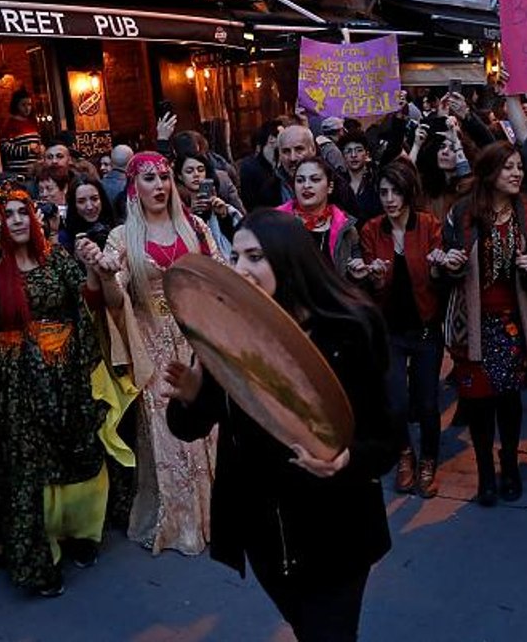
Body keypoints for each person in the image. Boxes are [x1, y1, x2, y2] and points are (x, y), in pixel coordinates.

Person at [164, 209, 394, 642]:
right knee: (309, 630)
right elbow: (189, 427)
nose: (241, 270)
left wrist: (346, 460)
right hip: (266, 536)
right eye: (235, 257)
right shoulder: (225, 334)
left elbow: (386, 438)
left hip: (336, 534)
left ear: (290, 259)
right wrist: (192, 397)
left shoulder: (350, 329)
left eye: (255, 256)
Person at [0, 180, 113, 596]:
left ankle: (81, 535)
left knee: (76, 451)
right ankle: (39, 559)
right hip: (17, 386)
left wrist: (93, 269)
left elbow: (87, 301)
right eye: (8, 214)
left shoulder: (57, 259)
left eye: (22, 212)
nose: (17, 220)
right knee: (27, 468)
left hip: (65, 377)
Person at [95, 152, 219, 555]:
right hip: (153, 345)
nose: (160, 186)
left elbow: (218, 276)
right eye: (149, 178)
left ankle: (221, 515)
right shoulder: (120, 237)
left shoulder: (195, 226)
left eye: (164, 177)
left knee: (210, 428)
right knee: (168, 436)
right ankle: (182, 522)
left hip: (197, 338)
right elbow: (115, 299)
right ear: (134, 187)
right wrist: (106, 274)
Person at [441, 141, 527, 506]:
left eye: (519, 167)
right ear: (490, 172)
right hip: (473, 323)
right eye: (509, 167)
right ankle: (485, 473)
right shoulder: (464, 211)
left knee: (509, 398)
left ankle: (509, 465)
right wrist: (448, 262)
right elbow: (447, 260)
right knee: (478, 402)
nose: (517, 173)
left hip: (511, 320)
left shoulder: (525, 208)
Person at [358, 161, 447, 498]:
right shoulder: (372, 230)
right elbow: (374, 287)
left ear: (409, 192)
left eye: (396, 191)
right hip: (390, 331)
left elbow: (437, 279)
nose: (390, 199)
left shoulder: (427, 225)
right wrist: (374, 277)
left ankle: (428, 460)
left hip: (425, 328)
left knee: (426, 403)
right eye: (383, 192)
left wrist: (440, 268)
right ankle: (405, 453)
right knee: (396, 402)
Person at [277, 157, 361, 274]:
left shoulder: (347, 229)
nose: (306, 185)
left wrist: (357, 274)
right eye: (300, 180)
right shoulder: (276, 222)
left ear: (330, 187)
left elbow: (353, 279)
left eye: (315, 180)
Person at [176, 153, 241, 256]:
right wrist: (190, 214)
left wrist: (224, 216)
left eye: (201, 170)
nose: (196, 174)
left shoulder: (221, 204)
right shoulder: (176, 208)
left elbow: (238, 240)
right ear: (180, 176)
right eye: (189, 171)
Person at [340, 131, 381, 223]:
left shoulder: (375, 179)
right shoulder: (339, 183)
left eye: (359, 150)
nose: (353, 155)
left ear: (367, 154)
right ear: (343, 156)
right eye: (348, 151)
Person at [0, 89, 43, 174]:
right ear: (16, 106)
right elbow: (5, 148)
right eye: (23, 105)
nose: (27, 108)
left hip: (35, 171)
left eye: (29, 104)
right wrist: (28, 149)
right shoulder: (10, 124)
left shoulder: (33, 122)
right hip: (18, 173)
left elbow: (38, 142)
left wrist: (41, 148)